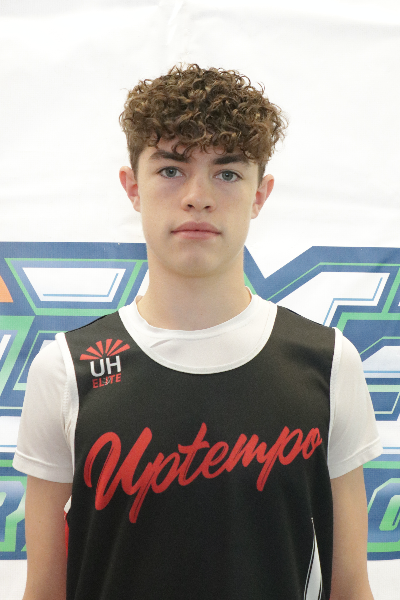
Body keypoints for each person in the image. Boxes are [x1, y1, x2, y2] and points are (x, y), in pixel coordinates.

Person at [14, 64, 382, 600]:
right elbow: (44, 591)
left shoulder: (327, 364)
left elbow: (351, 587)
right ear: (132, 187)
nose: (197, 196)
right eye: (171, 169)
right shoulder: (68, 369)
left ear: (260, 195)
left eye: (227, 174)